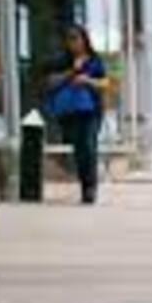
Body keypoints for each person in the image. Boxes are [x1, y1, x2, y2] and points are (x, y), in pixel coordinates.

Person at [45, 26, 108, 204]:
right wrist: (72, 72)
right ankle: (84, 185)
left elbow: (105, 82)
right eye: (70, 39)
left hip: (92, 111)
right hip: (71, 112)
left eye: (76, 38)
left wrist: (87, 80)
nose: (73, 43)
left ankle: (91, 189)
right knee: (80, 150)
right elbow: (50, 83)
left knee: (89, 146)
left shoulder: (95, 61)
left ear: (85, 40)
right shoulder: (63, 61)